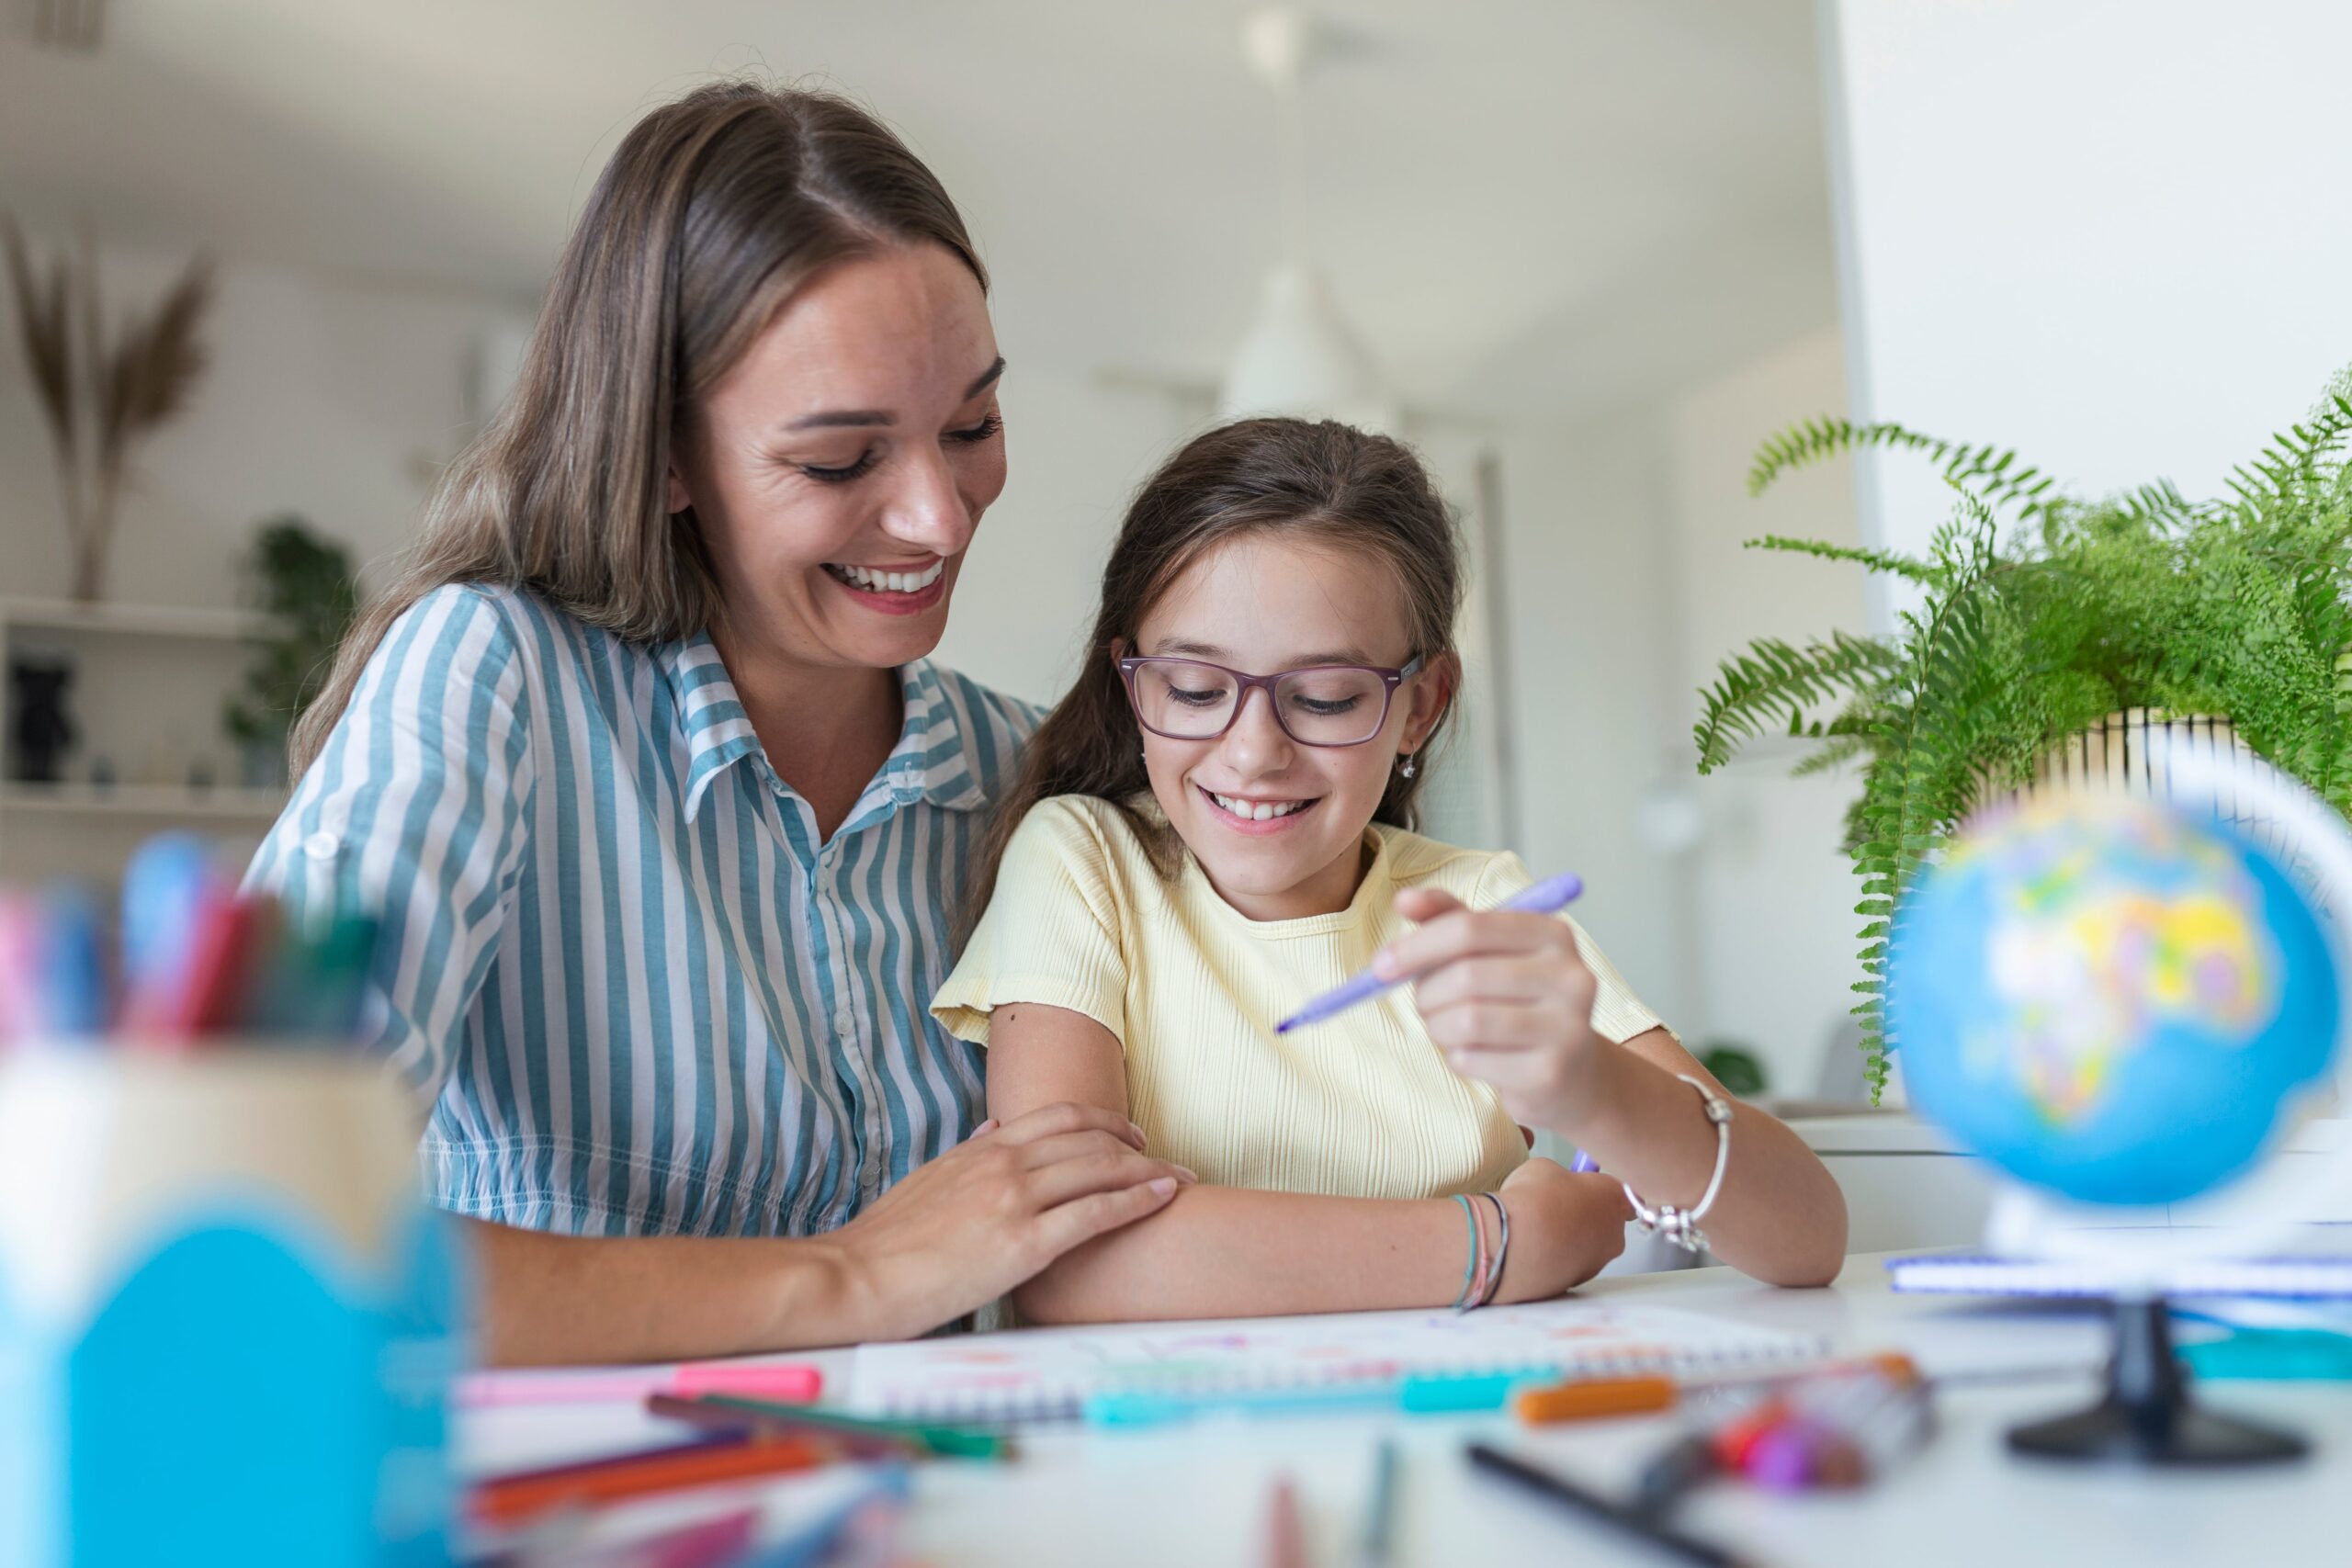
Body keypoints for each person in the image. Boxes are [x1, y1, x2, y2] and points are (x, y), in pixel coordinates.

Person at [244, 83, 1192, 1365]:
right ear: (666, 457)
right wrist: (850, 1274)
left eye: (971, 424)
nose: (941, 516)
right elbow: (257, 1214)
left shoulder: (1028, 774)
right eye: (841, 459)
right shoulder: (495, 677)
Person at [934, 419, 1849, 1324]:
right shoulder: (1083, 860)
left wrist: (1597, 1088)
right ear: (1131, 684)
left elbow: (1804, 1240)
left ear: (1420, 708)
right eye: (1195, 688)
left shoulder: (1480, 904)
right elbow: (1066, 1265)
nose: (1252, 752)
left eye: (1326, 697)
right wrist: (1495, 1247)